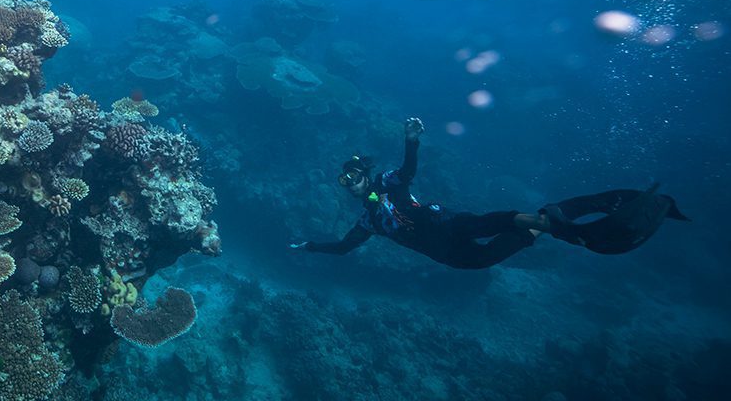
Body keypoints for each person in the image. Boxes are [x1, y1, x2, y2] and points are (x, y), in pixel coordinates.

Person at [290, 118, 686, 269]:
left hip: (448, 221)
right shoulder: (366, 221)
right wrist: (309, 246)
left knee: (500, 218)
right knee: (510, 241)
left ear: (364, 174)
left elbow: (409, 170)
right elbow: (343, 248)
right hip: (450, 254)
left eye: (354, 176)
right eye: (345, 182)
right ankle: (567, 228)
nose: (351, 183)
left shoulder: (389, 182)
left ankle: (568, 226)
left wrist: (410, 139)